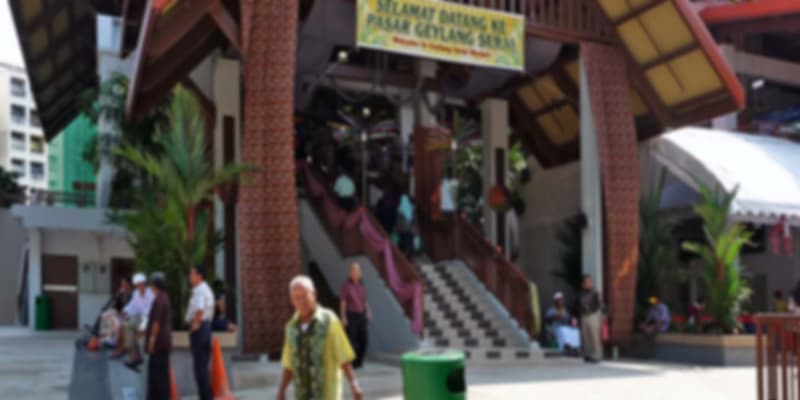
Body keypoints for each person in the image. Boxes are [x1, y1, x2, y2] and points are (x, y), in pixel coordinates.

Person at [278, 275, 362, 400]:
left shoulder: (329, 320)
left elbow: (343, 355)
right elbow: (289, 364)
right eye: (297, 298)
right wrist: (282, 390)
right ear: (292, 301)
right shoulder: (291, 328)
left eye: (305, 296)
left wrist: (354, 384)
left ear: (314, 294)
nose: (301, 302)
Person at [112, 273, 154, 371]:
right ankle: (134, 356)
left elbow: (151, 312)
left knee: (137, 329)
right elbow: (132, 306)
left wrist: (143, 326)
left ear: (144, 283)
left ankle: (136, 357)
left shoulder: (150, 294)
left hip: (149, 318)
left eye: (141, 284)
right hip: (140, 316)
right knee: (126, 325)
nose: (139, 287)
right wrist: (125, 311)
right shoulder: (136, 293)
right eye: (137, 285)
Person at [186, 266, 215, 400]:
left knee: (200, 369)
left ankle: (206, 397)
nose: (190, 277)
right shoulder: (203, 289)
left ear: (200, 276)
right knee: (202, 368)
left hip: (200, 329)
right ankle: (205, 396)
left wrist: (195, 325)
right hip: (204, 329)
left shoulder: (200, 290)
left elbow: (199, 309)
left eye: (192, 274)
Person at [145, 272, 172, 400]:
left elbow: (156, 323)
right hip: (164, 342)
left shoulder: (159, 300)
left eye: (151, 283)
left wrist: (151, 341)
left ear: (155, 285)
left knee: (157, 375)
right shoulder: (164, 297)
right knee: (160, 374)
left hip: (159, 343)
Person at [340, 263, 371, 369]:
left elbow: (364, 300)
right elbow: (343, 302)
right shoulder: (346, 285)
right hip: (351, 315)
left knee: (364, 340)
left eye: (357, 270)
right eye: (353, 270)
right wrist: (343, 317)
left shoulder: (362, 284)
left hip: (362, 315)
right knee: (352, 341)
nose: (355, 272)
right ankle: (352, 363)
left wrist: (368, 311)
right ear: (350, 272)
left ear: (360, 273)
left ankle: (359, 361)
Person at [576, 275, 603, 363]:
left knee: (594, 335)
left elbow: (600, 304)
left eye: (588, 282)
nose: (587, 284)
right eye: (585, 282)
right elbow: (577, 304)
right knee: (585, 336)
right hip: (583, 316)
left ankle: (597, 355)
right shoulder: (581, 293)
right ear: (583, 284)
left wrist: (595, 311)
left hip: (592, 315)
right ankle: (588, 354)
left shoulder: (595, 292)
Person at [396, 193, 416, 258]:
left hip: (403, 230)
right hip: (410, 230)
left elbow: (398, 220)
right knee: (409, 244)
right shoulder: (412, 208)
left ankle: (403, 256)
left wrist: (398, 229)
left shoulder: (400, 209)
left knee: (403, 244)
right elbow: (414, 220)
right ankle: (408, 257)